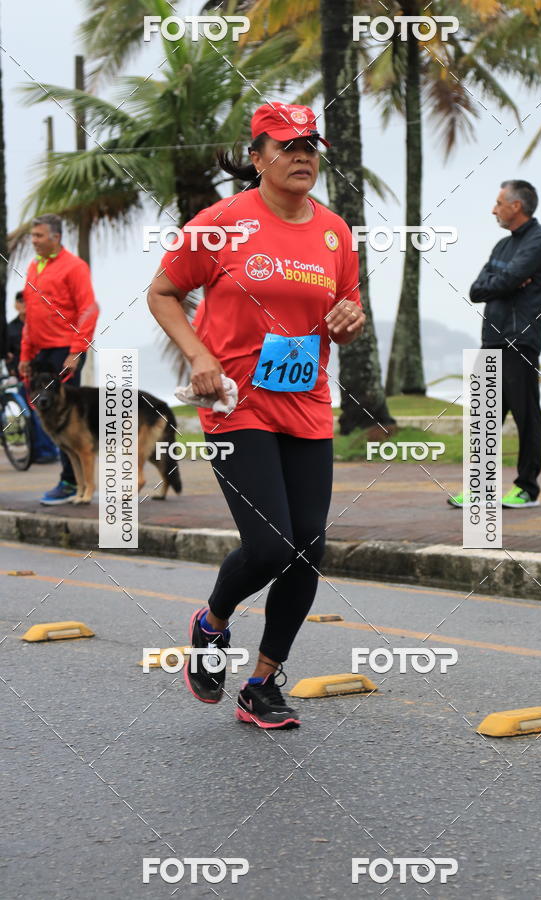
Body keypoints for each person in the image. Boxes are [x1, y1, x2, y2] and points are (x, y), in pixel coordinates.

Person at [147, 101, 365, 729]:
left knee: (308, 549)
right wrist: (198, 355)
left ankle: (262, 685)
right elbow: (162, 293)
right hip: (235, 403)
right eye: (286, 145)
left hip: (306, 404)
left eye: (310, 146)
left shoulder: (334, 232)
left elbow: (343, 311)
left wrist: (349, 322)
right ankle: (211, 624)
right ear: (257, 156)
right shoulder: (221, 224)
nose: (302, 156)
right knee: (270, 547)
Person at [448, 180, 541, 509]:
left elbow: (502, 281)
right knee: (483, 419)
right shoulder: (501, 247)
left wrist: (503, 282)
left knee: (526, 417)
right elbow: (476, 290)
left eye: (498, 203)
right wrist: (505, 282)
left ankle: (527, 489)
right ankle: (479, 488)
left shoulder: (540, 240)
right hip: (492, 339)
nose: (493, 209)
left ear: (516, 206)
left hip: (520, 340)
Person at [18, 214, 99, 503]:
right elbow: (30, 316)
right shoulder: (33, 266)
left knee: (68, 420)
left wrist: (77, 350)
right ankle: (70, 479)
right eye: (33, 236)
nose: (34, 241)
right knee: (46, 414)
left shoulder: (74, 266)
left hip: (65, 352)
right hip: (41, 353)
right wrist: (26, 355)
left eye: (38, 235)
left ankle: (69, 481)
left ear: (56, 237)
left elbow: (88, 309)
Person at [5, 291, 60, 463]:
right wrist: (13, 370)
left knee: (44, 413)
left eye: (25, 300)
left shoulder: (39, 324)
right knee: (29, 414)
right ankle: (37, 451)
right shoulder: (10, 328)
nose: (23, 304)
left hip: (41, 377)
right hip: (22, 377)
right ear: (16, 305)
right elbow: (9, 354)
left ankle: (49, 451)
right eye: (19, 301)